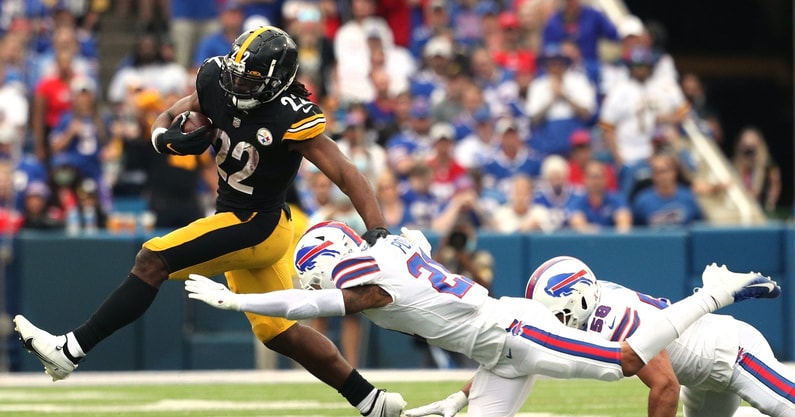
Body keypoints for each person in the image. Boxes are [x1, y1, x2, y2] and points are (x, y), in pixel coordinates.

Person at [14, 27, 404, 417]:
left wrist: (377, 230)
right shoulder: (217, 80)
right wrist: (163, 138)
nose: (236, 83)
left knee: (152, 259)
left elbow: (347, 172)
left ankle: (70, 350)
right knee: (281, 334)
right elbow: (169, 113)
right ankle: (372, 401)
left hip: (256, 223)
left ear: (277, 82)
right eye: (236, 72)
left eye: (250, 79)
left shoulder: (289, 116)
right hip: (243, 221)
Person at [184, 220, 781, 417]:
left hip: (514, 332)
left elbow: (312, 304)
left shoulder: (363, 275)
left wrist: (241, 302)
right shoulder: (389, 250)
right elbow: (409, 241)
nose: (317, 281)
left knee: (627, 363)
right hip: (497, 346)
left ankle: (712, 294)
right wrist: (448, 403)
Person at [525, 256, 795, 417]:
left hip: (734, 354)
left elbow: (665, 386)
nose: (555, 323)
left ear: (579, 300)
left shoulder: (612, 319)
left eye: (558, 315)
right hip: (699, 378)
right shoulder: (598, 296)